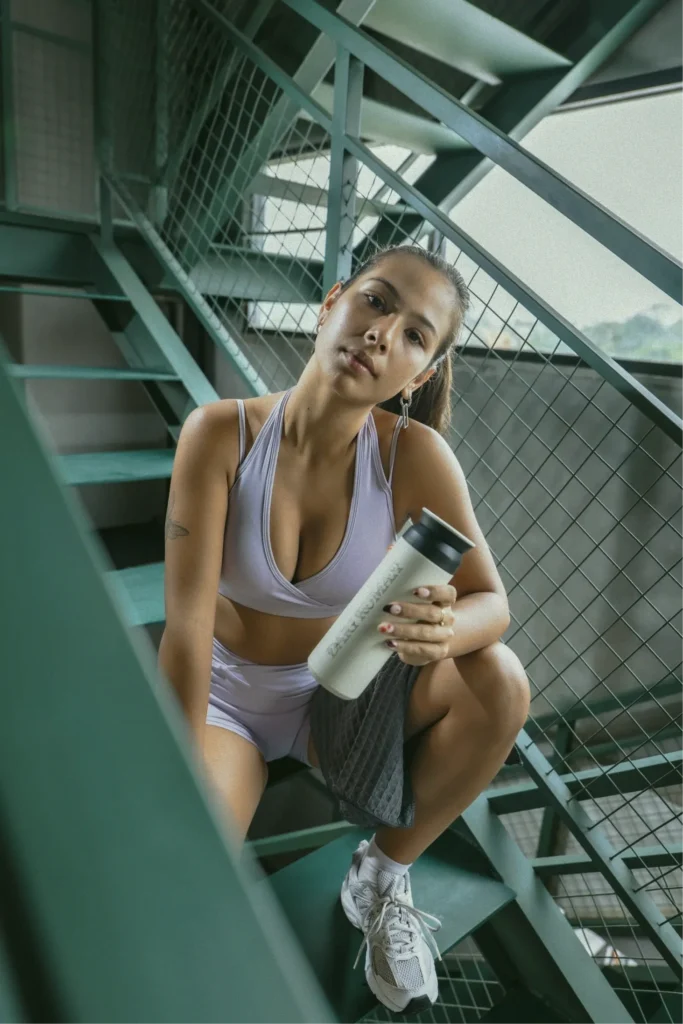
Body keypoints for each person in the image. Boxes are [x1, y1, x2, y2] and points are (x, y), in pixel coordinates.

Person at [158, 244, 530, 1015]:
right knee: (179, 874)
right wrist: (169, 767)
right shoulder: (219, 434)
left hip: (340, 695)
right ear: (331, 304)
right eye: (375, 301)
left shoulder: (413, 456)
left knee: (499, 678)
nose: (382, 334)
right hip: (229, 698)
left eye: (416, 335)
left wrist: (444, 634)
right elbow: (188, 628)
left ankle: (380, 878)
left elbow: (492, 602)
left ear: (418, 375)